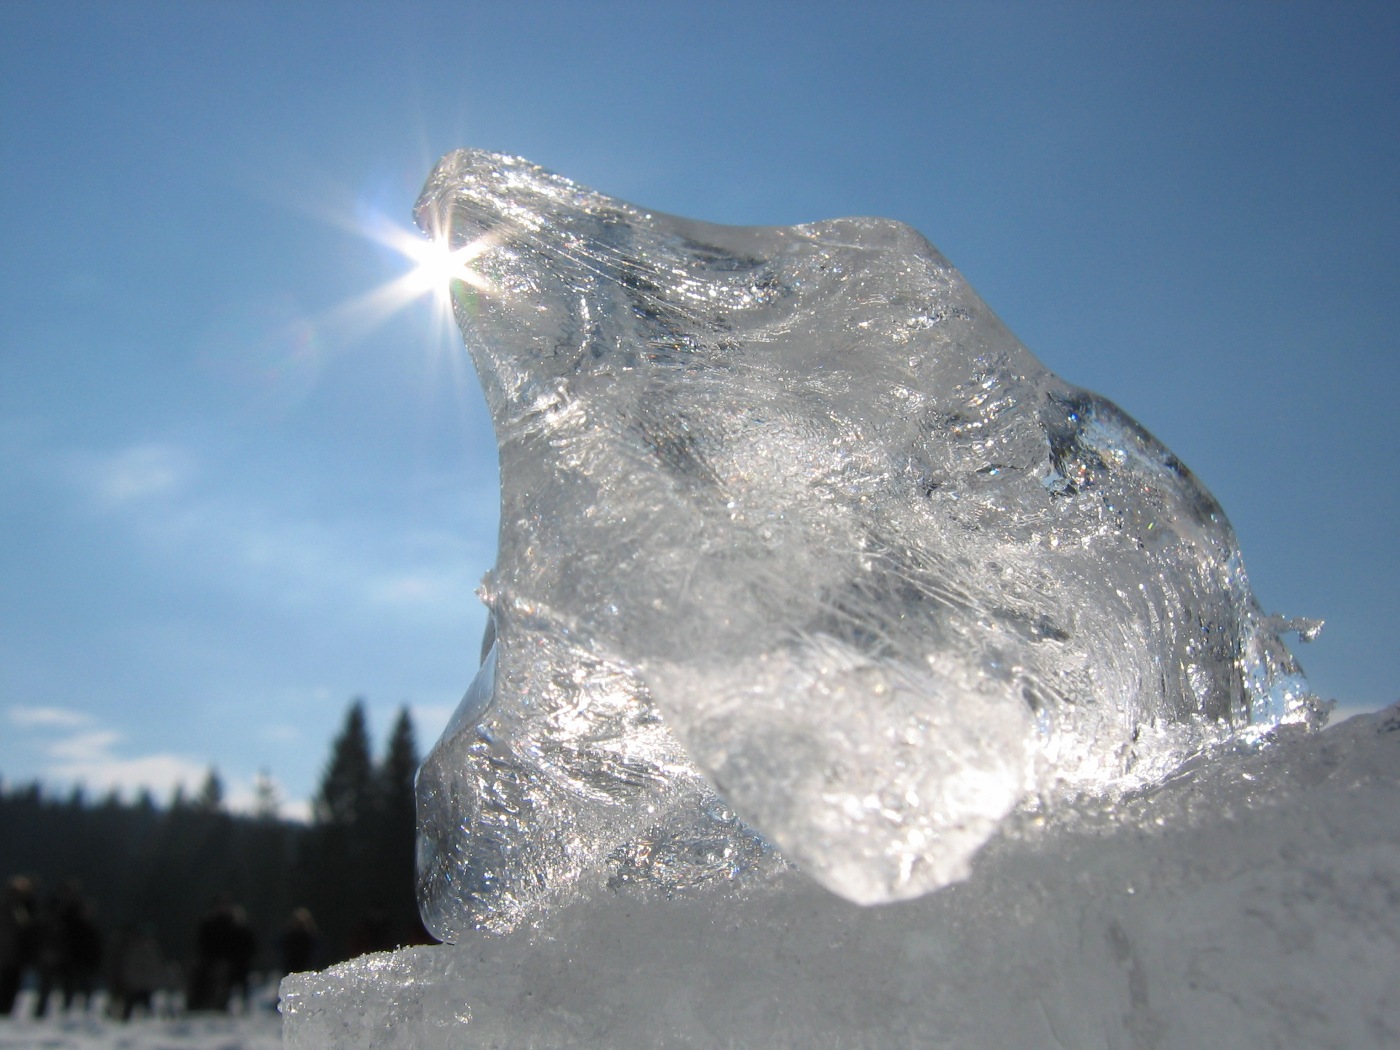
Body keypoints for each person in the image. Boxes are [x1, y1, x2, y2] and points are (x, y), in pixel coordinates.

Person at [0, 876, 39, 1016]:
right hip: (11, 954)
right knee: (9, 983)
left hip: (10, 953)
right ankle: (4, 1010)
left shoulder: (11, 905)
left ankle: (5, 1009)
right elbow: (22, 929)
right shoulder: (15, 908)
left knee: (9, 983)